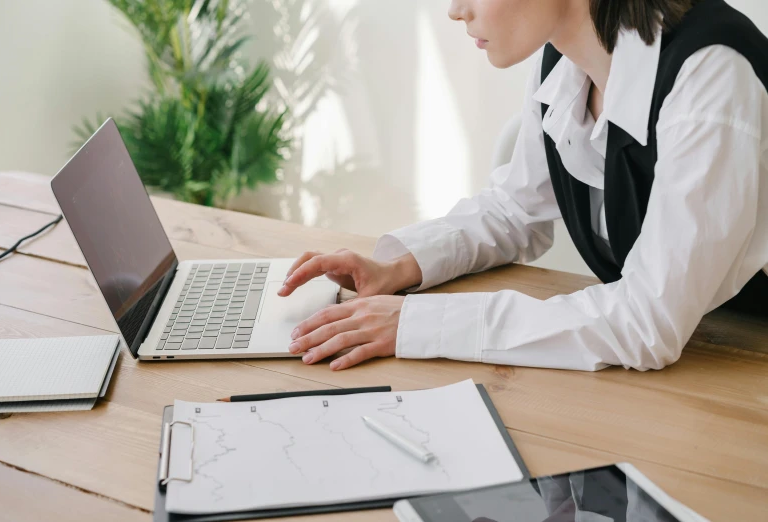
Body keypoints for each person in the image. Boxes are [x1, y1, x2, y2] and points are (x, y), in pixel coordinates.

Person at [278, 0, 768, 372]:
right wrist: (396, 267)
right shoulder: (563, 59)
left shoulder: (711, 76)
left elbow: (646, 321)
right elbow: (516, 210)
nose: (456, 10)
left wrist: (418, 324)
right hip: (704, 351)